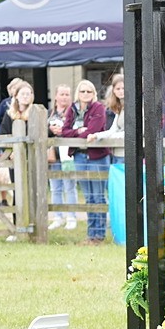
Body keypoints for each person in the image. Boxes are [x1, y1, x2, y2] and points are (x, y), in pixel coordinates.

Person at [62, 80, 108, 243]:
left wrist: (78, 133)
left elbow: (94, 130)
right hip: (79, 156)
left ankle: (99, 234)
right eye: (83, 91)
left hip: (97, 156)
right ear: (78, 94)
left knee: (98, 196)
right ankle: (90, 234)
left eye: (89, 91)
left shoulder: (99, 108)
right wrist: (78, 131)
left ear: (94, 93)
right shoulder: (72, 109)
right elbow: (64, 132)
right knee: (88, 197)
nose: (86, 94)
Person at [47, 84, 77, 230]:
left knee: (69, 187)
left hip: (67, 156)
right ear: (56, 96)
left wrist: (64, 130)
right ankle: (57, 217)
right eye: (62, 94)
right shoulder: (49, 113)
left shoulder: (74, 113)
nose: (64, 97)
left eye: (67, 94)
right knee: (55, 188)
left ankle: (72, 217)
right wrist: (50, 130)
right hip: (53, 156)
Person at [89, 74, 125, 161]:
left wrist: (112, 136)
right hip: (116, 153)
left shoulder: (136, 107)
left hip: (128, 154)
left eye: (123, 88)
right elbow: (113, 130)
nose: (121, 91)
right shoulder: (120, 108)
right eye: (118, 89)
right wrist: (96, 135)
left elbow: (135, 133)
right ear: (114, 91)